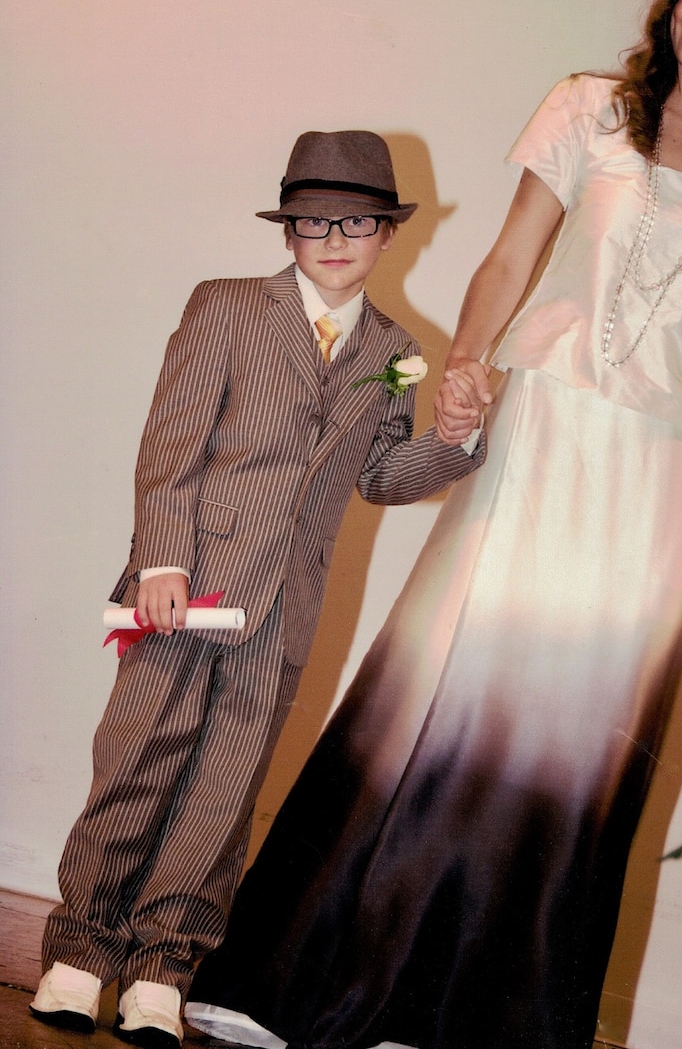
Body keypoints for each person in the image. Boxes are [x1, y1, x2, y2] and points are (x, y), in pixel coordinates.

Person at [185, 0, 682, 1049]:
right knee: (442, 680)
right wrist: (468, 366)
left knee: (580, 738)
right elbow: (508, 257)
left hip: (665, 481)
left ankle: (472, 1022)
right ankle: (300, 983)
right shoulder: (588, 109)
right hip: (547, 427)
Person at [29, 130, 486, 1048]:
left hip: (283, 612)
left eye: (357, 221)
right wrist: (161, 559)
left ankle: (164, 968)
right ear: (287, 232)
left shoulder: (396, 349)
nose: (335, 238)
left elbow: (384, 475)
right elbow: (172, 442)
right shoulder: (227, 309)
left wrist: (454, 436)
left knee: (223, 794)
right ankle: (79, 953)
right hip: (183, 590)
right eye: (314, 221)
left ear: (388, 234)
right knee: (137, 763)